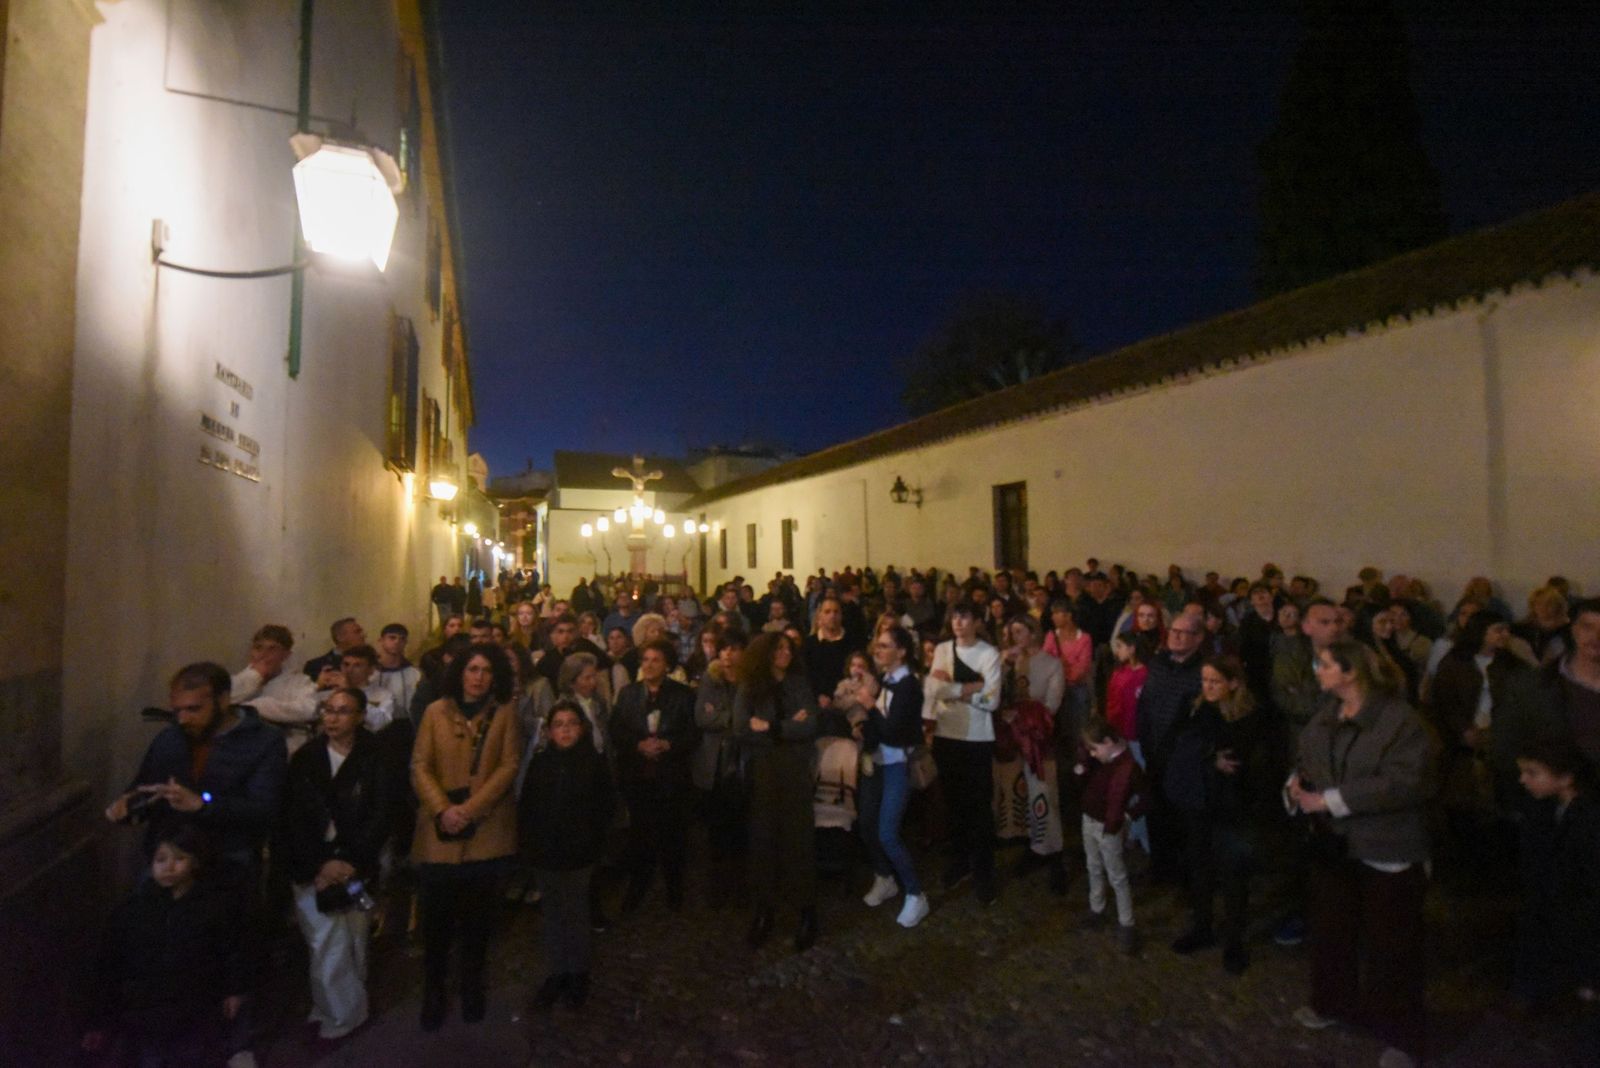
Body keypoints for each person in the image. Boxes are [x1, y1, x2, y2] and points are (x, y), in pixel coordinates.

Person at [1287, 638, 1437, 1068]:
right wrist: (1297, 786)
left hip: (1387, 848)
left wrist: (1331, 800)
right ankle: (1333, 1003)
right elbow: (1308, 755)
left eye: (1324, 663)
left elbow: (1405, 781)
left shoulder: (1399, 722)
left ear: (1351, 672)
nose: (1317, 670)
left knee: (1393, 945)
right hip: (1337, 846)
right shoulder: (1328, 714)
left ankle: (1402, 1034)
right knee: (1333, 931)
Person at [410, 642, 522, 1030]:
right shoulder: (434, 713)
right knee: (436, 924)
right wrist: (443, 809)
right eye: (472, 669)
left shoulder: (504, 713)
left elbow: (508, 765)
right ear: (459, 672)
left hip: (486, 832)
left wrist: (471, 809)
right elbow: (421, 764)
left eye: (486, 671)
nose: (478, 678)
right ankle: (435, 988)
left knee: (478, 922)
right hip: (441, 832)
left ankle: (472, 983)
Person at [81, 825, 255, 1068]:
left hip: (194, 1006)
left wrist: (234, 989)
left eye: (179, 859)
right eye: (161, 859)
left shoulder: (212, 906)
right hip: (147, 1010)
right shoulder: (133, 910)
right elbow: (110, 962)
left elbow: (231, 949)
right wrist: (100, 1018)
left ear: (194, 862)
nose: (169, 867)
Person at [282, 687, 393, 1043]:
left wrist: (351, 860)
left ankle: (343, 1010)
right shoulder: (307, 758)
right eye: (328, 710)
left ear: (360, 715)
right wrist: (320, 862)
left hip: (356, 863)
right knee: (326, 942)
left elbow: (382, 812)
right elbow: (293, 817)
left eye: (343, 711)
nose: (332, 717)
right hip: (314, 866)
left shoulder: (375, 756)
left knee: (355, 939)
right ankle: (339, 1013)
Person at [106, 662, 288, 875]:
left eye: (193, 709)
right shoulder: (170, 739)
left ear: (223, 701)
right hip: (170, 858)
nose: (182, 719)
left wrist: (203, 805)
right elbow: (144, 786)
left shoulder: (263, 741)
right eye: (177, 710)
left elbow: (264, 810)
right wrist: (129, 805)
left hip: (226, 861)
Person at [519, 700, 616, 1011]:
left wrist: (594, 844)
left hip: (579, 853)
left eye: (571, 723)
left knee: (575, 913)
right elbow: (528, 806)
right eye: (558, 724)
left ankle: (576, 971)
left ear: (582, 728)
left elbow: (604, 806)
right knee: (553, 914)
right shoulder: (540, 763)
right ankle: (557, 969)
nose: (565, 730)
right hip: (546, 852)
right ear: (549, 730)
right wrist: (530, 844)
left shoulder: (593, 762)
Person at [734, 631, 821, 949]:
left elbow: (810, 724)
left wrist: (771, 727)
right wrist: (789, 727)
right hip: (764, 770)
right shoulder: (751, 687)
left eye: (788, 648)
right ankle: (764, 910)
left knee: (799, 839)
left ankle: (806, 911)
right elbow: (742, 728)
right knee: (763, 839)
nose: (785, 653)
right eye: (779, 648)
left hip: (795, 769)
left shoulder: (799, 683)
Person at [924, 600, 1004, 904]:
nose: (958, 622)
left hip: (977, 738)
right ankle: (960, 861)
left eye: (965, 616)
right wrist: (970, 688)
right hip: (947, 734)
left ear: (976, 621)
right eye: (955, 616)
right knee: (954, 803)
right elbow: (934, 690)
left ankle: (984, 871)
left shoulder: (989, 654)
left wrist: (954, 688)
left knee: (979, 807)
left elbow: (992, 700)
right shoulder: (943, 650)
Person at [609, 638, 698, 912]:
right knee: (640, 834)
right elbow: (617, 729)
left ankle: (674, 888)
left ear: (667, 665)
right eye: (645, 660)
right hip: (638, 776)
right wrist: (638, 745)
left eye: (655, 660)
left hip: (670, 777)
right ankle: (638, 885)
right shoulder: (628, 694)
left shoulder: (683, 695)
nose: (648, 665)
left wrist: (669, 745)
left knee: (673, 835)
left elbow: (693, 733)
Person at [1511, 736, 1600, 1009]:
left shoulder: (1588, 820)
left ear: (1565, 777)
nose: (1523, 780)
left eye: (1533, 773)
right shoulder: (1550, 808)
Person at [859, 625, 931, 928]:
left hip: (897, 764)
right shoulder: (887, 680)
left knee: (888, 831)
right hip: (877, 761)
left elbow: (893, 731)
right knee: (866, 824)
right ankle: (885, 877)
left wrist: (869, 706)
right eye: (878, 645)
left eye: (886, 646)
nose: (879, 650)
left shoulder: (908, 686)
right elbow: (877, 728)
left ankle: (915, 892)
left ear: (901, 651)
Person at [1135, 614, 1206, 885]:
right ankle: (1160, 867)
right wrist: (1143, 736)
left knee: (1181, 819)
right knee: (1156, 812)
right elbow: (1145, 702)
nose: (1175, 636)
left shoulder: (1202, 670)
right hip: (1153, 750)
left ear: (1198, 638)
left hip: (1181, 756)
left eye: (1184, 633)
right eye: (1173, 631)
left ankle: (1185, 876)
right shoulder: (1159, 663)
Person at [1074, 719, 1145, 954]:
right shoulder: (1099, 762)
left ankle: (1127, 923)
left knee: (1117, 875)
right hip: (1090, 820)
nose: (1092, 754)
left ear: (1108, 742)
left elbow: (1146, 797)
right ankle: (1097, 908)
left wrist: (1127, 815)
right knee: (1093, 866)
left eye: (1094, 748)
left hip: (1108, 827)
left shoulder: (1129, 767)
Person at [693, 632, 748, 907]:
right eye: (724, 649)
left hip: (741, 762)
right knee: (716, 827)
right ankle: (717, 884)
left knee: (740, 823)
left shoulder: (749, 682)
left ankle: (740, 884)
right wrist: (729, 719)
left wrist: (722, 716)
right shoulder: (710, 679)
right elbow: (702, 716)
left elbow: (746, 721)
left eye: (734, 649)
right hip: (714, 762)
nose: (727, 655)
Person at [229, 624, 320, 751]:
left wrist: (260, 706)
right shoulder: (239, 680)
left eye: (272, 649)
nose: (263, 654)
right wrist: (254, 676)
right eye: (258, 647)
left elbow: (311, 709)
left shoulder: (300, 682)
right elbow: (224, 699)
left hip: (286, 749)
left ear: (285, 654)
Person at [803, 596, 854, 704]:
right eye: (827, 612)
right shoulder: (809, 644)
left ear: (841, 615)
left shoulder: (853, 642)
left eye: (836, 612)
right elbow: (805, 675)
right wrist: (817, 695)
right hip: (817, 703)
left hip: (848, 700)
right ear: (819, 615)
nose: (832, 616)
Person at [373, 623, 421, 716]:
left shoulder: (415, 674)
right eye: (392, 637)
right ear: (381, 640)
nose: (397, 642)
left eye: (402, 639)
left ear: (406, 642)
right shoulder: (370, 672)